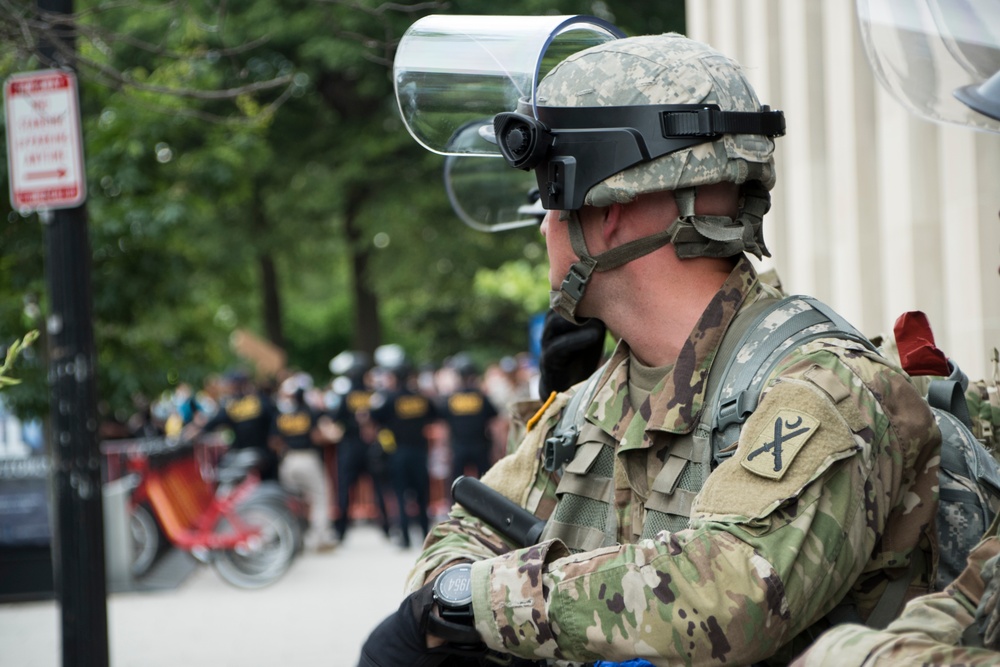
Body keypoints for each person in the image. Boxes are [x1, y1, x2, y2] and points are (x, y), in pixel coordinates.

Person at [358, 28, 942, 667]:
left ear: (607, 212)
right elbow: (466, 536)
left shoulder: (827, 387)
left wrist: (484, 603)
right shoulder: (587, 404)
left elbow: (731, 594)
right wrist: (462, 597)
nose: (544, 224)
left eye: (552, 195)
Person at [364, 344, 444, 549]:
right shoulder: (421, 397)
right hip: (419, 451)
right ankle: (426, 535)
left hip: (397, 452)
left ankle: (405, 537)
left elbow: (372, 417)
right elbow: (434, 414)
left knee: (400, 495)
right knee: (422, 494)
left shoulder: (389, 398)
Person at [267, 373, 338, 552]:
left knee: (290, 501)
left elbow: (274, 441)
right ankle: (320, 538)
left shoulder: (280, 416)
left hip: (288, 460)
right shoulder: (310, 413)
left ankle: (290, 538)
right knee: (320, 497)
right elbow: (316, 436)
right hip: (308, 458)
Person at [327, 351, 392, 543]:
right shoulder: (373, 395)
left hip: (350, 448)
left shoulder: (346, 396)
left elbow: (335, 419)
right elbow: (383, 419)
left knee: (345, 490)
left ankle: (341, 531)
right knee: (379, 489)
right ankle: (387, 528)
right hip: (371, 447)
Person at [439, 353, 501, 488]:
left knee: (456, 485)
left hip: (458, 447)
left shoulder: (450, 399)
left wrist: (445, 447)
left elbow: (445, 426)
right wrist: (497, 447)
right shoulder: (481, 397)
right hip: (480, 446)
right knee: (485, 485)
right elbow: (493, 423)